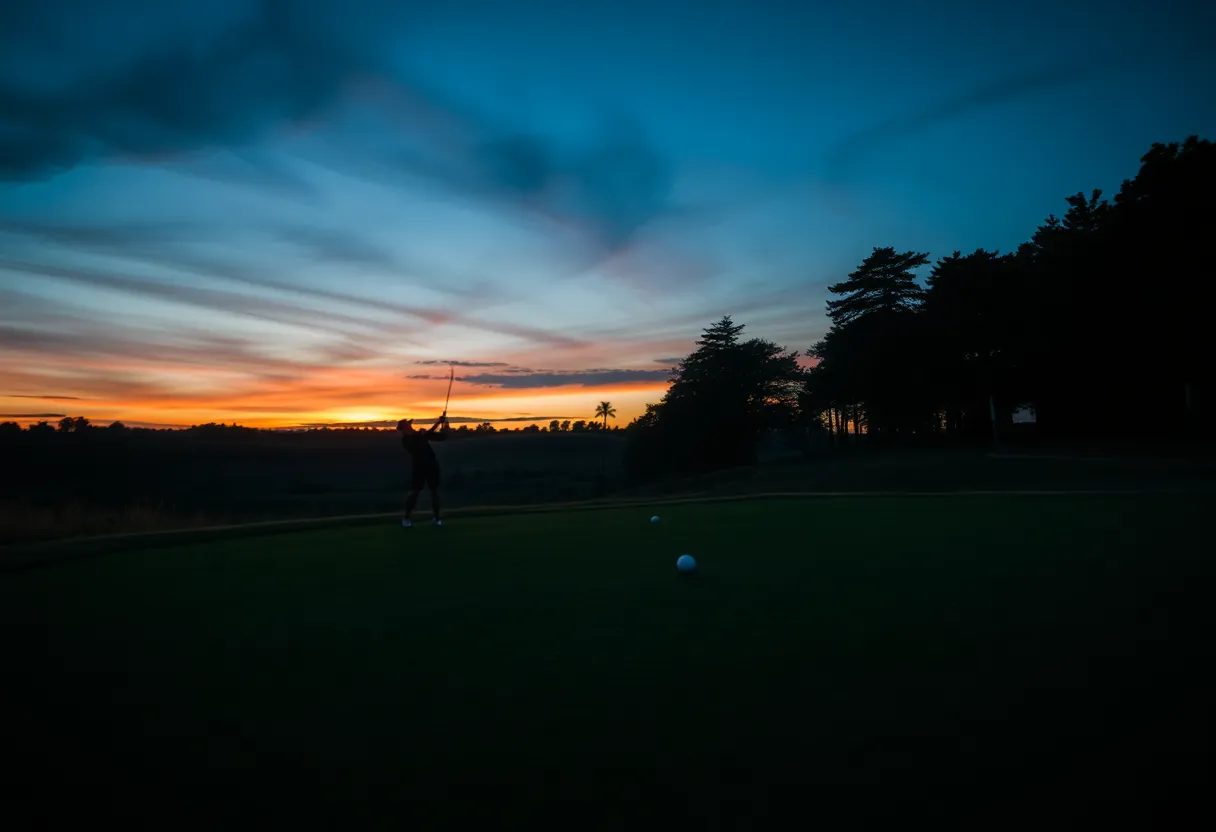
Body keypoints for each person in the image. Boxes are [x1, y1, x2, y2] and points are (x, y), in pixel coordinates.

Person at [398, 415, 449, 527]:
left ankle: (437, 518)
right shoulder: (406, 440)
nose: (410, 425)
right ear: (403, 428)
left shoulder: (419, 434)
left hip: (432, 465)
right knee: (415, 492)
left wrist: (445, 423)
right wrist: (437, 423)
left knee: (434, 491)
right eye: (407, 424)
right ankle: (406, 518)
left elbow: (443, 437)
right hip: (419, 467)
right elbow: (423, 437)